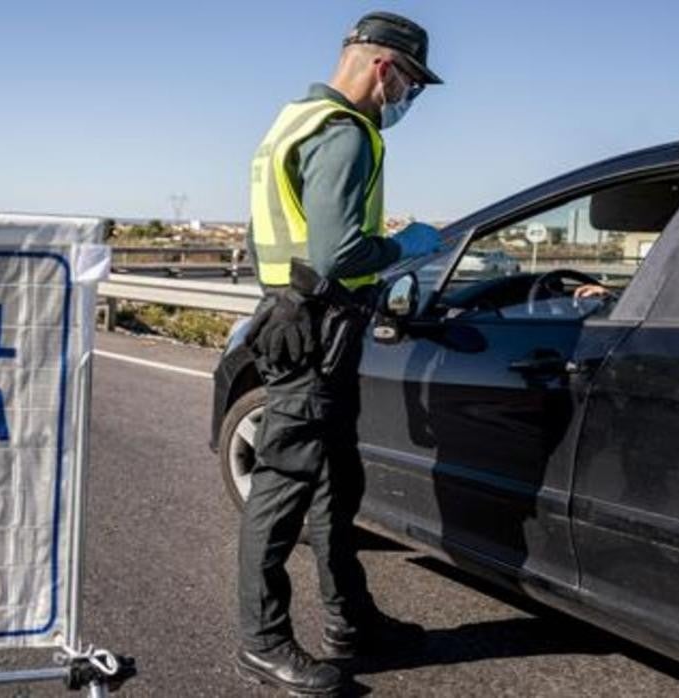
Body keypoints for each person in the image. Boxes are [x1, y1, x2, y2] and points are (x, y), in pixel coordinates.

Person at [237, 11, 444, 695]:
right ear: (384, 65)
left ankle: (351, 619)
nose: (407, 98)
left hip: (293, 318)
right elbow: (338, 253)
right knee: (284, 490)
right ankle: (263, 642)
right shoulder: (345, 134)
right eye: (411, 81)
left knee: (333, 484)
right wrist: (405, 246)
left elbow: (275, 236)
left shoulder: (290, 120)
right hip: (316, 332)